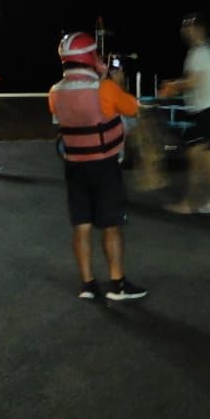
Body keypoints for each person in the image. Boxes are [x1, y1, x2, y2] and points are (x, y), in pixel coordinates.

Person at [49, 32, 148, 301]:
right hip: (104, 166)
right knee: (110, 225)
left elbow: (61, 119)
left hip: (74, 167)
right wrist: (115, 80)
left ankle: (88, 284)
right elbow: (132, 109)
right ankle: (117, 284)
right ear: (90, 56)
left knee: (81, 226)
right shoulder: (105, 88)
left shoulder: (55, 92)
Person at [161, 13, 210, 214]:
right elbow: (191, 80)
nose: (184, 30)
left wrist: (171, 86)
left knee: (196, 154)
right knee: (201, 154)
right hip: (207, 108)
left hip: (207, 109)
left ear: (198, 29)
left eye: (188, 26)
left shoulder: (200, 52)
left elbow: (193, 81)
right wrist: (176, 85)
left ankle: (191, 203)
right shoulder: (206, 49)